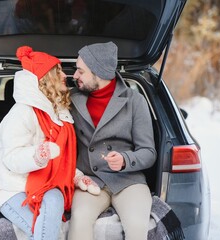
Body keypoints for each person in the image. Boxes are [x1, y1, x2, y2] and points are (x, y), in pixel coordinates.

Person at [68, 41, 157, 240]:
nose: (74, 76)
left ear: (98, 72)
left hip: (128, 180)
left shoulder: (134, 101)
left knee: (136, 226)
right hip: (90, 180)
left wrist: (125, 159)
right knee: (79, 219)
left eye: (80, 71)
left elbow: (149, 153)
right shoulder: (72, 100)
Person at [0, 46, 77, 240]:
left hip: (46, 185)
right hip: (12, 187)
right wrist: (38, 155)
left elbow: (64, 160)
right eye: (58, 71)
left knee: (55, 199)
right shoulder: (22, 113)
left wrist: (78, 177)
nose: (64, 75)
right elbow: (11, 158)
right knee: (45, 232)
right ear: (45, 78)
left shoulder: (60, 113)